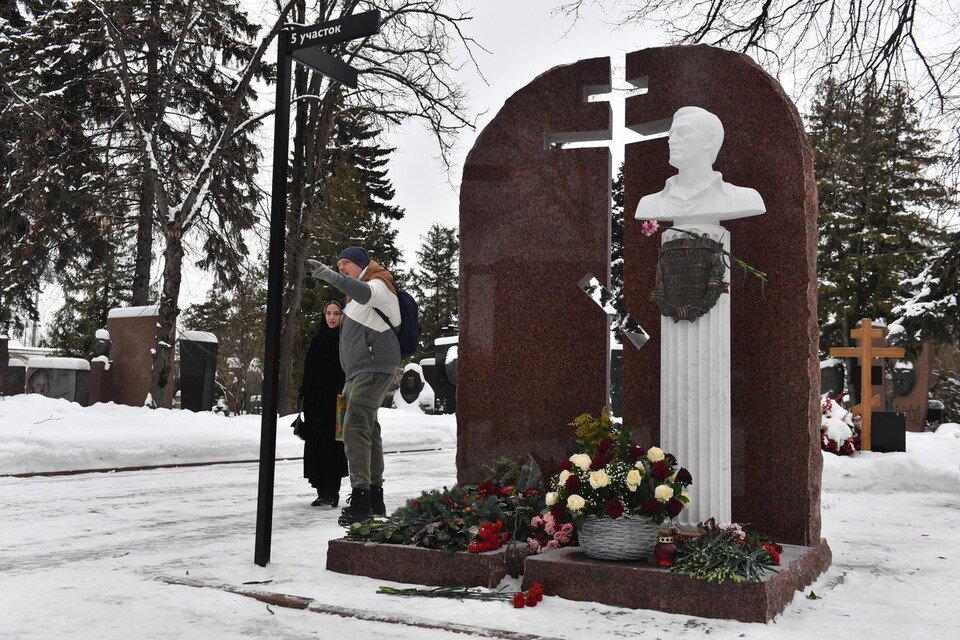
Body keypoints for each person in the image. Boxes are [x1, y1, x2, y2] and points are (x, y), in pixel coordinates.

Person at [307, 246, 401, 526]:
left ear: (361, 264)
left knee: (355, 426)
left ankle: (361, 499)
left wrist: (328, 276)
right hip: (356, 373)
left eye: (345, 263)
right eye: (337, 265)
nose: (341, 269)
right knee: (367, 430)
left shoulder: (380, 284)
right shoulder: (355, 300)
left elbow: (365, 292)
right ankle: (374, 497)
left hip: (373, 368)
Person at [634, 106, 765, 225]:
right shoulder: (649, 204)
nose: (671, 140)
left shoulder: (744, 198)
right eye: (671, 134)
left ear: (710, 139)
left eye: (683, 132)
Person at [298, 299, 347, 507]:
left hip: (337, 402)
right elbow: (309, 371)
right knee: (316, 445)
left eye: (336, 313)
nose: (332, 318)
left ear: (342, 316)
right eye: (328, 313)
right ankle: (321, 491)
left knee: (334, 446)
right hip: (315, 403)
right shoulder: (317, 339)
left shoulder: (345, 340)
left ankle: (332, 492)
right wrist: (303, 397)